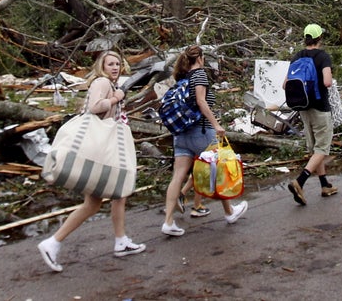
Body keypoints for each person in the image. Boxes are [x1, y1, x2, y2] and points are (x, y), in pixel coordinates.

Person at [38, 50, 145, 272]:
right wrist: (116, 99)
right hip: (99, 148)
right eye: (110, 64)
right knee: (108, 196)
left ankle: (119, 240)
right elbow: (95, 107)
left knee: (108, 198)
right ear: (101, 67)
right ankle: (53, 242)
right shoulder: (102, 82)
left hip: (102, 147)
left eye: (117, 64)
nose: (115, 68)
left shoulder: (111, 84)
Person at [160, 45, 248, 236]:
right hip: (201, 131)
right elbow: (201, 101)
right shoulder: (199, 74)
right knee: (219, 168)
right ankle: (229, 212)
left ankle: (168, 221)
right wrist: (216, 124)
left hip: (181, 134)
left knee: (178, 176)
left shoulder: (181, 78)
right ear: (199, 58)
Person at [288, 23, 337, 205]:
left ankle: (325, 185)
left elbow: (286, 83)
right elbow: (327, 82)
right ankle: (300, 181)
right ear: (319, 39)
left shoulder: (297, 56)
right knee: (322, 148)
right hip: (320, 107)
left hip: (303, 108)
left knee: (315, 148)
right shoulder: (323, 56)